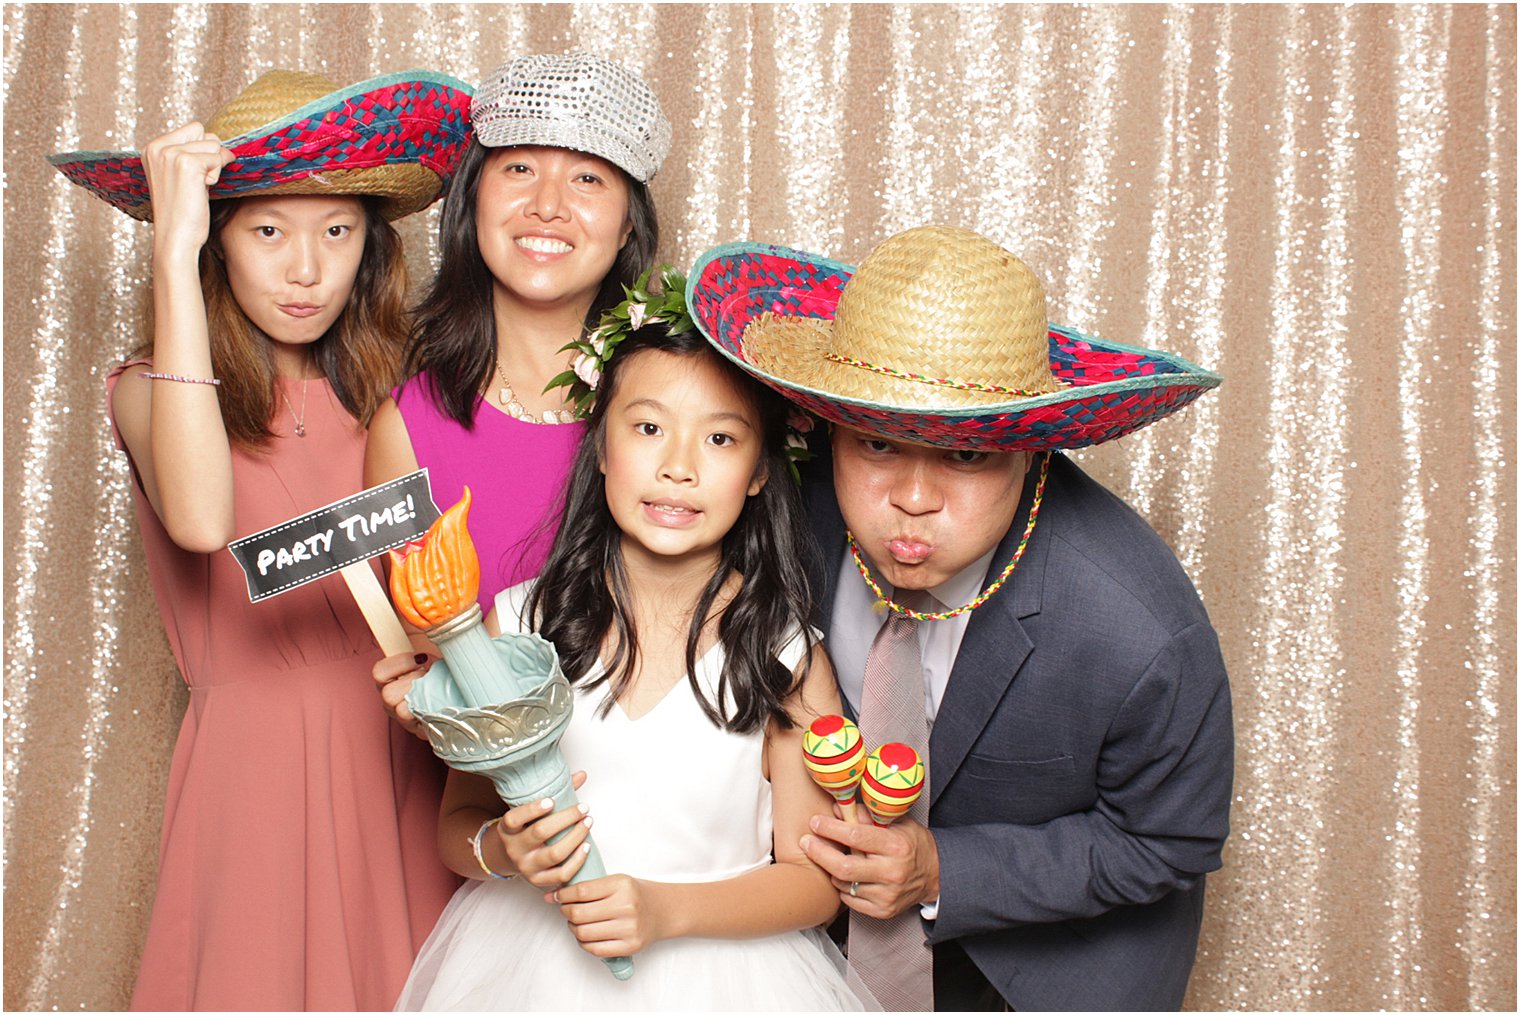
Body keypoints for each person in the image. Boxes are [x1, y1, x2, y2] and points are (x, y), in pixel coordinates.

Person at [688, 225, 1235, 1011]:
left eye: (966, 455)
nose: (914, 496)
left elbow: (1169, 841)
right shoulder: (778, 520)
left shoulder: (1140, 628)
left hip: (1044, 975)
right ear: (826, 428)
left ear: (1032, 450)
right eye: (878, 442)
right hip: (808, 950)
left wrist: (944, 867)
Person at [53, 68, 472, 1009]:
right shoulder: (147, 386)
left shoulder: (401, 392)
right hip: (258, 771)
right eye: (267, 229)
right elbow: (203, 520)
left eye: (336, 230)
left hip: (407, 745)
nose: (305, 269)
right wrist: (172, 255)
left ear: (370, 245)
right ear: (218, 243)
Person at [381, 281, 871, 1011]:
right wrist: (506, 850)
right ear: (601, 445)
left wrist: (665, 909)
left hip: (726, 979)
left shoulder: (787, 655)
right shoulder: (519, 623)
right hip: (529, 970)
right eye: (647, 428)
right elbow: (456, 828)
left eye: (720, 438)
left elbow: (816, 885)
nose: (679, 465)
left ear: (762, 470)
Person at [365, 52, 670, 614]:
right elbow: (423, 648)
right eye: (520, 168)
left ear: (629, 222)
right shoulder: (406, 429)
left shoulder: (684, 399)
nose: (548, 207)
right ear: (472, 197)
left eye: (587, 177)